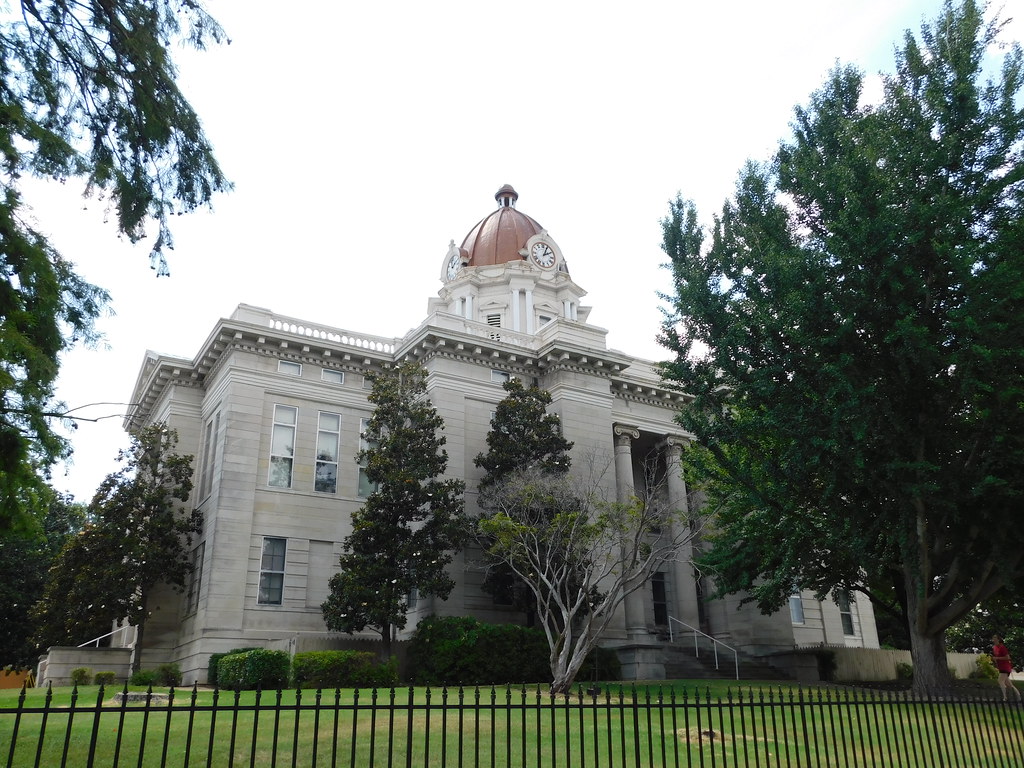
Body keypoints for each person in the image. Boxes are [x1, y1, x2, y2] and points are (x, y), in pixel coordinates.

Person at [991, 634, 1021, 702]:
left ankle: (1005, 698)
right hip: (1001, 667)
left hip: (1006, 667)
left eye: (995, 638)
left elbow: (1008, 657)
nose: (994, 639)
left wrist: (997, 658)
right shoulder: (994, 647)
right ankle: (1018, 697)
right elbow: (996, 657)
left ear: (999, 639)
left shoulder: (1002, 647)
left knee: (1000, 680)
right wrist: (995, 660)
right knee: (1009, 685)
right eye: (993, 638)